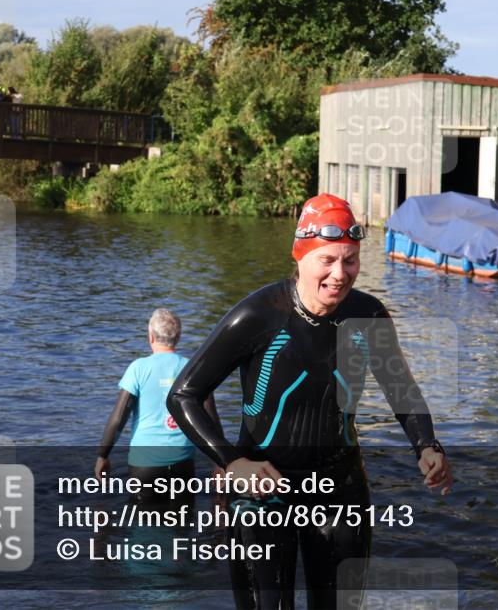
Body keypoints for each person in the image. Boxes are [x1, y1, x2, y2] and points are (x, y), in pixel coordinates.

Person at [167, 193, 452, 610]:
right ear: (300, 256)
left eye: (350, 260)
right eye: (328, 260)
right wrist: (232, 462)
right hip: (263, 487)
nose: (340, 274)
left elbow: (402, 390)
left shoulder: (369, 316)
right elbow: (184, 395)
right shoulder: (259, 315)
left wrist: (427, 445)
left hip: (340, 486)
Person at [95, 309, 220, 507]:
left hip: (145, 464)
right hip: (182, 462)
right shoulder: (192, 368)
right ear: (178, 337)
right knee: (181, 525)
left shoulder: (138, 368)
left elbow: (119, 418)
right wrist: (220, 462)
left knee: (144, 527)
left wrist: (103, 455)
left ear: (150, 337)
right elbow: (211, 418)